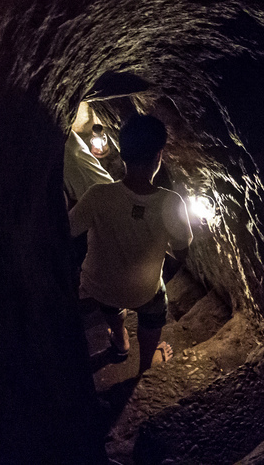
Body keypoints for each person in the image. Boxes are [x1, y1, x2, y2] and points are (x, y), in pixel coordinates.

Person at [69, 114, 193, 373]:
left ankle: (120, 340)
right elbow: (182, 253)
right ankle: (146, 366)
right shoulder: (170, 202)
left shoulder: (97, 195)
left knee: (110, 297)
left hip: (99, 286)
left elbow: (68, 230)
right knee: (155, 306)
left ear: (123, 154)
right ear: (158, 156)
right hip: (142, 291)